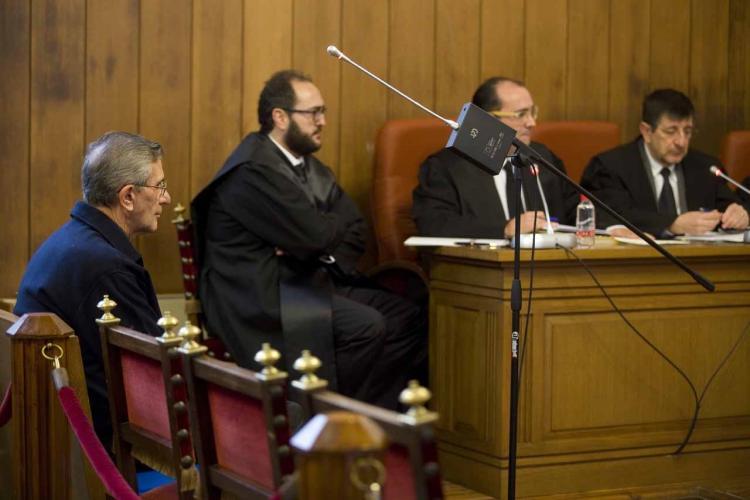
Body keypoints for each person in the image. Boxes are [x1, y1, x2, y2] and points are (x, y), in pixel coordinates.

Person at [191, 70, 426, 410]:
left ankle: (369, 417)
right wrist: (319, 237)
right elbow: (316, 235)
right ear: (280, 117)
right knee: (366, 327)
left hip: (306, 277)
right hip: (260, 292)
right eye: (313, 113)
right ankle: (325, 417)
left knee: (408, 315)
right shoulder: (252, 170)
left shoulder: (311, 169)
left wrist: (317, 245)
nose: (323, 121)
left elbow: (352, 228)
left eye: (323, 111)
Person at [14, 131, 170, 449]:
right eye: (160, 187)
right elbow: (153, 380)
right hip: (108, 453)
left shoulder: (69, 241)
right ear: (128, 197)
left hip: (57, 437)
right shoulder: (106, 268)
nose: (165, 198)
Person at [412, 77, 579, 238]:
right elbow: (433, 224)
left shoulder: (542, 158)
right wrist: (504, 229)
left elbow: (575, 212)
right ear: (488, 119)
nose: (531, 123)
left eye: (532, 112)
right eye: (520, 114)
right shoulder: (446, 167)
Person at [581, 89, 749, 237]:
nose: (681, 142)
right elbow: (612, 215)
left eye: (687, 131)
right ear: (646, 131)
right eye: (671, 131)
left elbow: (730, 206)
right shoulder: (612, 167)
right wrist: (671, 224)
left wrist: (740, 214)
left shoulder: (706, 168)